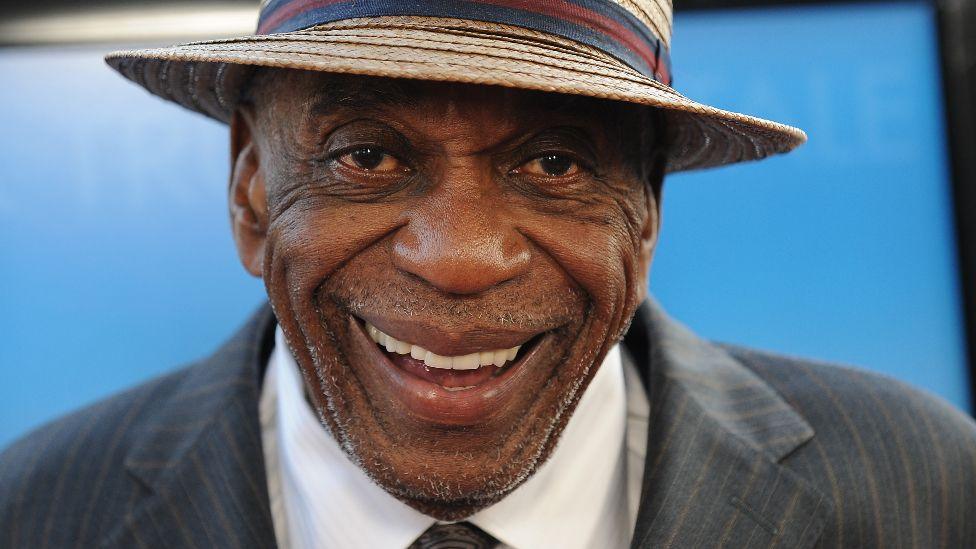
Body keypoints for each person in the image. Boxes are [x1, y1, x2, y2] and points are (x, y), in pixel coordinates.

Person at [2, 1, 975, 548]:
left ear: (647, 215)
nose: (460, 258)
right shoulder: (33, 515)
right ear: (253, 192)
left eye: (553, 163)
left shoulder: (927, 490)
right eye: (367, 156)